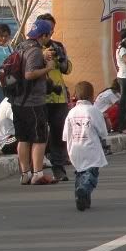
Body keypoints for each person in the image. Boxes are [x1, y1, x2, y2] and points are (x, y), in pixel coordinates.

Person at [11, 19, 57, 185]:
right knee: (39, 138)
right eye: (48, 35)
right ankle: (38, 173)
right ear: (43, 35)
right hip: (33, 102)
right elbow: (29, 74)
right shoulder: (35, 51)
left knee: (23, 138)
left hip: (17, 100)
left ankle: (25, 173)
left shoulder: (21, 46)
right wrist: (48, 68)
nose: (49, 38)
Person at [37, 13, 73, 181]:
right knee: (40, 132)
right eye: (46, 29)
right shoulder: (30, 46)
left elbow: (68, 69)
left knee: (59, 132)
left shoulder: (58, 45)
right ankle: (35, 168)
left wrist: (61, 58)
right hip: (38, 96)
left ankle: (59, 168)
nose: (49, 32)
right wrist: (42, 56)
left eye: (52, 29)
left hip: (58, 97)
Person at [64, 81, 108, 212]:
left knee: (80, 173)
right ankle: (83, 190)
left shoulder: (71, 112)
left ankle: (83, 198)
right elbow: (102, 132)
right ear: (92, 96)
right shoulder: (94, 110)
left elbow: (66, 135)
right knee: (91, 174)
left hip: (75, 149)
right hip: (90, 148)